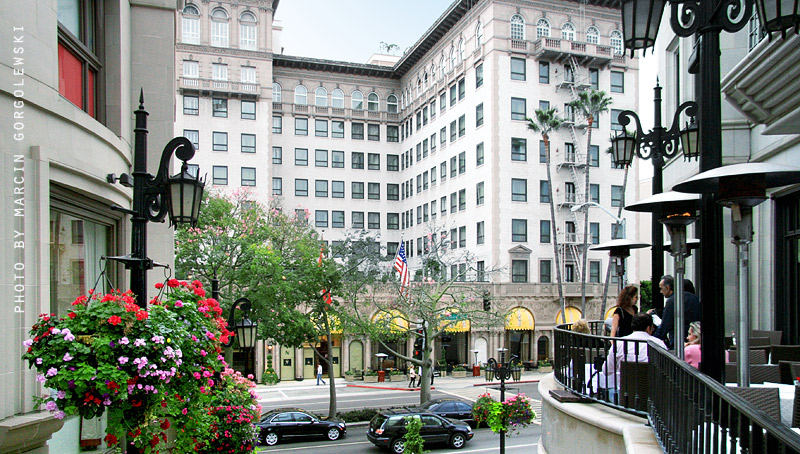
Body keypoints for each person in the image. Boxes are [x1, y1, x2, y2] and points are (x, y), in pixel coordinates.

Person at [602, 313, 667, 391]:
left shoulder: (619, 343)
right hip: (653, 394)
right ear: (648, 328)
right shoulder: (658, 344)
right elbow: (665, 369)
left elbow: (606, 370)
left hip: (625, 394)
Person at [652, 275, 701, 349]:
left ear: (668, 288)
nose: (661, 291)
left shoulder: (672, 301)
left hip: (677, 342)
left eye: (661, 289)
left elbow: (665, 326)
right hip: (695, 340)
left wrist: (653, 340)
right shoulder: (695, 299)